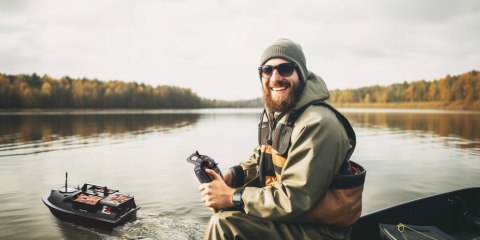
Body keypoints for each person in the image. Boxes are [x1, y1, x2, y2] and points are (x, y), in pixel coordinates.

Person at [198, 38, 365, 240]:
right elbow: (261, 159)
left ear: (301, 74)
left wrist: (231, 196)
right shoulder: (279, 115)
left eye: (285, 69)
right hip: (294, 219)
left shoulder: (318, 123)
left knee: (224, 224)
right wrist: (233, 176)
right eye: (267, 70)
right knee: (223, 211)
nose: (275, 78)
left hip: (321, 231)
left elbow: (295, 199)